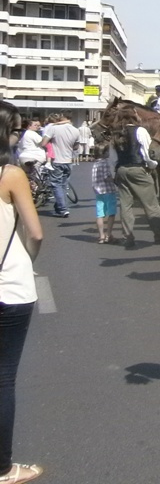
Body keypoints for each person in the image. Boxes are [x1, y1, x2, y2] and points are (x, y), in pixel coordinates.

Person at [0, 100, 45, 484]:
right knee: (3, 377)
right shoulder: (10, 174)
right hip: (9, 285)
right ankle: (3, 467)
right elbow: (35, 232)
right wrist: (29, 261)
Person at [113, 119, 160, 248]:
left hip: (121, 170)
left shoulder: (116, 133)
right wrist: (153, 165)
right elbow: (147, 152)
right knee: (151, 204)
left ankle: (127, 237)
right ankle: (159, 235)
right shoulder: (140, 131)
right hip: (138, 169)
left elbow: (114, 157)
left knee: (125, 205)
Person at [39, 113, 79, 219]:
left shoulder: (54, 128)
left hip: (56, 160)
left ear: (62, 117)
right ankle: (60, 208)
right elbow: (76, 147)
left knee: (56, 185)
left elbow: (43, 143)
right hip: (68, 161)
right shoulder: (76, 130)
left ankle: (62, 209)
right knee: (63, 185)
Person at [91, 143, 118, 244]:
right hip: (108, 190)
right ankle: (108, 234)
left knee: (100, 214)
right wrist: (115, 180)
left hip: (98, 192)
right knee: (111, 213)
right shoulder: (105, 163)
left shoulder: (95, 164)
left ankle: (101, 236)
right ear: (104, 153)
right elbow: (107, 177)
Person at [14, 121, 45, 190]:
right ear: (29, 126)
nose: (37, 127)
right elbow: (42, 143)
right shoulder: (32, 133)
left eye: (39, 125)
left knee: (27, 176)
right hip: (35, 156)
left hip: (23, 157)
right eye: (35, 125)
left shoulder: (22, 135)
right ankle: (38, 189)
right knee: (36, 175)